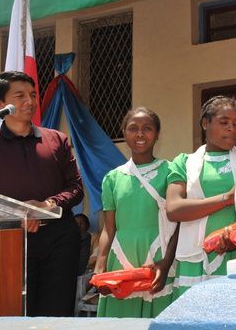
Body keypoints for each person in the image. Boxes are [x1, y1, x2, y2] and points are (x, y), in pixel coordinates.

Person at [0, 71, 83, 316]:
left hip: (59, 241)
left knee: (56, 314)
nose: (30, 101)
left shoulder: (57, 140)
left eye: (33, 95)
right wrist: (18, 215)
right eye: (20, 96)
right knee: (12, 313)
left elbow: (76, 188)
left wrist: (46, 205)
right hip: (8, 240)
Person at [167, 96, 236, 299]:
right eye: (224, 122)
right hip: (194, 258)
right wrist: (227, 198)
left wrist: (234, 235)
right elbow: (174, 209)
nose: (232, 129)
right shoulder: (184, 163)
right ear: (205, 123)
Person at [95, 107, 179, 318]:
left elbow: (178, 223)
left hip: (158, 254)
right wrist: (101, 260)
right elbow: (109, 227)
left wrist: (167, 262)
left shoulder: (171, 170)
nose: (140, 134)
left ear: (157, 134)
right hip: (121, 255)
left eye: (147, 128)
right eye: (133, 128)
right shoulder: (112, 178)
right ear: (124, 133)